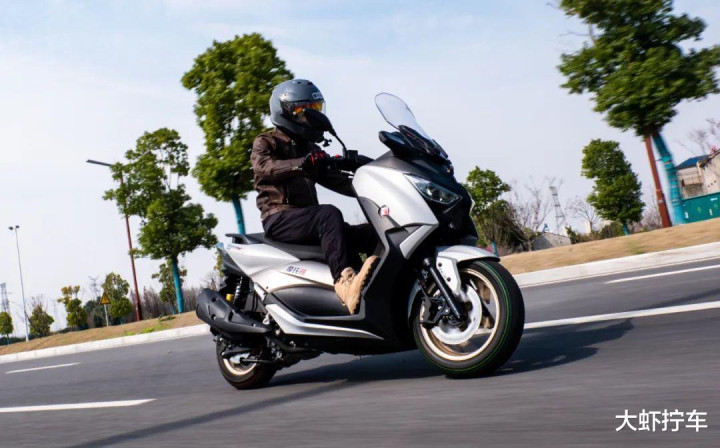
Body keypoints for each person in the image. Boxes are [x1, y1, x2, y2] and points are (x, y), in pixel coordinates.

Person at [250, 79, 378, 314]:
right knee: (329, 214)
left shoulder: (309, 149)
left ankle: (378, 291)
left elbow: (336, 181)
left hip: (310, 221)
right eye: (305, 110)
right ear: (286, 112)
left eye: (316, 109)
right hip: (280, 219)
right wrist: (302, 163)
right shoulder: (266, 142)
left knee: (373, 233)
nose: (312, 116)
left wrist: (373, 186)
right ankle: (344, 284)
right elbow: (265, 167)